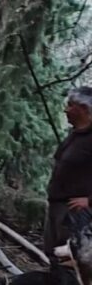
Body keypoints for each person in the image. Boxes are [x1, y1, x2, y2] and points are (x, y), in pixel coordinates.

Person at [44, 86, 92, 260]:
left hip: (77, 214)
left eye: (71, 105)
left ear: (84, 109)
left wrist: (89, 200)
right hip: (58, 207)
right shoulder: (75, 135)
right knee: (54, 255)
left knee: (73, 260)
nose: (66, 109)